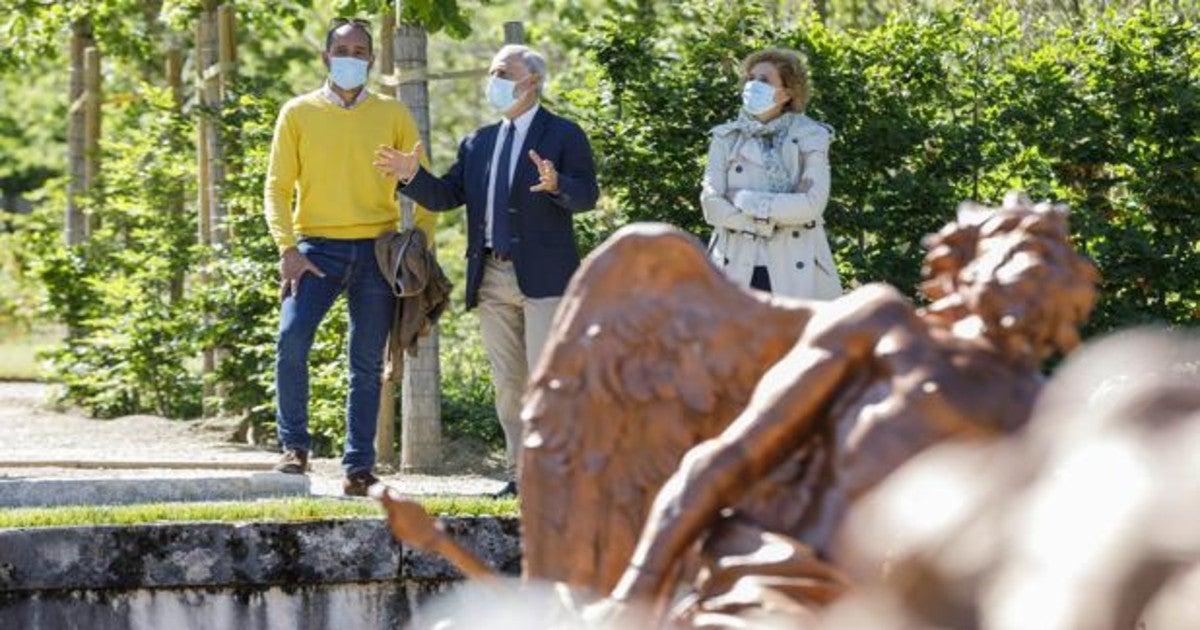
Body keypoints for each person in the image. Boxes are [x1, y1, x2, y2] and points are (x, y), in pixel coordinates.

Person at [609, 196, 1099, 621]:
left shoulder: (1043, 407)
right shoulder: (887, 326)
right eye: (1023, 252)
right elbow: (734, 455)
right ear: (969, 263)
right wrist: (636, 590)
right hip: (788, 573)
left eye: (1054, 261)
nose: (1039, 271)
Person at [374, 44, 600, 498]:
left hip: (547, 279)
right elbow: (444, 196)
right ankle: (523, 477)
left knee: (549, 382)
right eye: (492, 71)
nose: (492, 81)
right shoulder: (478, 142)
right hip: (491, 276)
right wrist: (411, 176)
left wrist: (558, 185)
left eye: (502, 72)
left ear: (531, 81)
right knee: (509, 385)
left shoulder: (564, 135)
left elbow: (587, 196)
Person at [263, 18, 435, 496]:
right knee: (291, 340)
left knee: (366, 362)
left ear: (371, 61)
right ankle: (294, 448)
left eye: (361, 51)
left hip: (377, 251)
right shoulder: (297, 113)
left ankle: (358, 468)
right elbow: (276, 188)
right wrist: (287, 249)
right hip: (315, 250)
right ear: (325, 56)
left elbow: (419, 181)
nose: (352, 57)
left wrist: (419, 241)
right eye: (343, 48)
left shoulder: (393, 113)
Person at [701, 48, 841, 299]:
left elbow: (811, 205)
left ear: (787, 93)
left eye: (763, 80)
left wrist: (743, 200)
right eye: (750, 78)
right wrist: (765, 223)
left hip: (797, 266)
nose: (752, 85)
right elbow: (711, 206)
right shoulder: (725, 137)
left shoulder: (812, 135)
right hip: (734, 266)